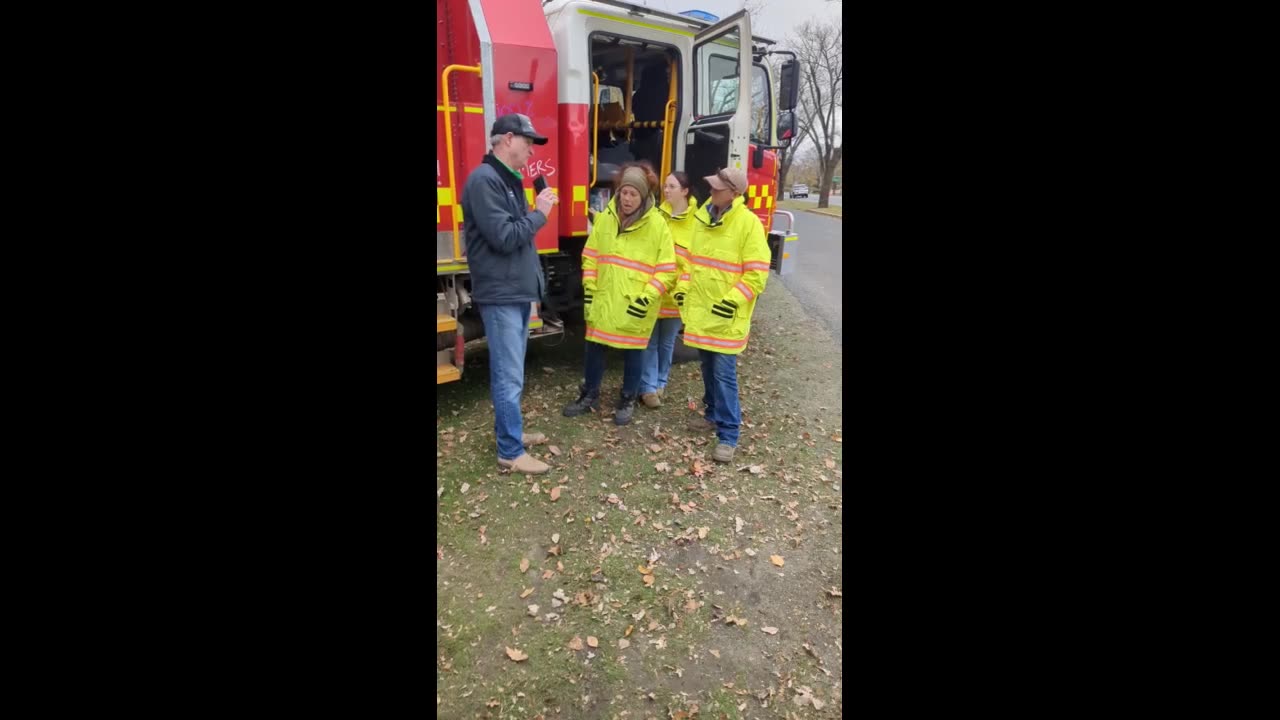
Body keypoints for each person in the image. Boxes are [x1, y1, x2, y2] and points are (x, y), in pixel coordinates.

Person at [460, 113, 560, 475]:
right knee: (507, 375)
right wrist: (540, 214)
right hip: (501, 294)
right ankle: (510, 452)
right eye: (528, 142)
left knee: (513, 371)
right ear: (506, 140)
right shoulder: (485, 181)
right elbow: (504, 237)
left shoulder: (506, 180)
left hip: (514, 292)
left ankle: (511, 433)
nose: (532, 151)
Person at [563, 162, 676, 425]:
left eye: (633, 194)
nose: (627, 199)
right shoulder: (605, 219)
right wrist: (590, 289)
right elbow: (590, 256)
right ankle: (589, 395)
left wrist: (646, 298)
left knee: (634, 351)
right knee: (594, 346)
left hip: (635, 304)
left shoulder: (657, 225)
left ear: (643, 196)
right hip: (603, 299)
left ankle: (627, 399)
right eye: (624, 192)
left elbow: (667, 270)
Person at [676, 167, 771, 463]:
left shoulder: (748, 224)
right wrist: (682, 288)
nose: (712, 191)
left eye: (718, 188)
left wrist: (731, 301)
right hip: (702, 314)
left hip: (726, 317)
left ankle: (729, 434)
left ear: (735, 193)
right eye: (712, 186)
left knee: (723, 374)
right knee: (707, 368)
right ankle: (712, 414)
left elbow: (756, 274)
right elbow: (690, 263)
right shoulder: (702, 218)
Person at [638, 172, 699, 408]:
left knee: (667, 343)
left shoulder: (696, 223)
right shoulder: (656, 216)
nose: (666, 190)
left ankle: (660, 383)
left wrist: (681, 287)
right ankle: (648, 388)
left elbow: (694, 262)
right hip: (655, 290)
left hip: (675, 295)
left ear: (685, 191)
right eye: (665, 186)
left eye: (672, 186)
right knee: (650, 341)